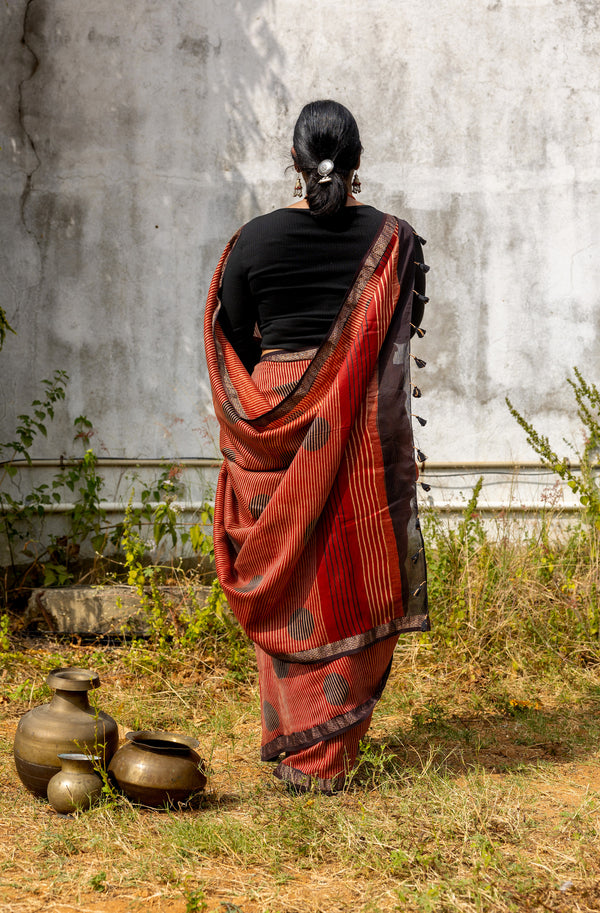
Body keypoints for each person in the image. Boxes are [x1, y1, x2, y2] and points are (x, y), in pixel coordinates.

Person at [204, 100, 429, 794]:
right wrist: (341, 365)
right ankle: (330, 751)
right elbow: (405, 325)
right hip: (356, 425)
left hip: (274, 414)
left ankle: (302, 748)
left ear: (294, 164)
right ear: (357, 164)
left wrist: (291, 377)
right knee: (348, 576)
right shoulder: (396, 241)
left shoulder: (252, 241)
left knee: (293, 581)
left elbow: (236, 338)